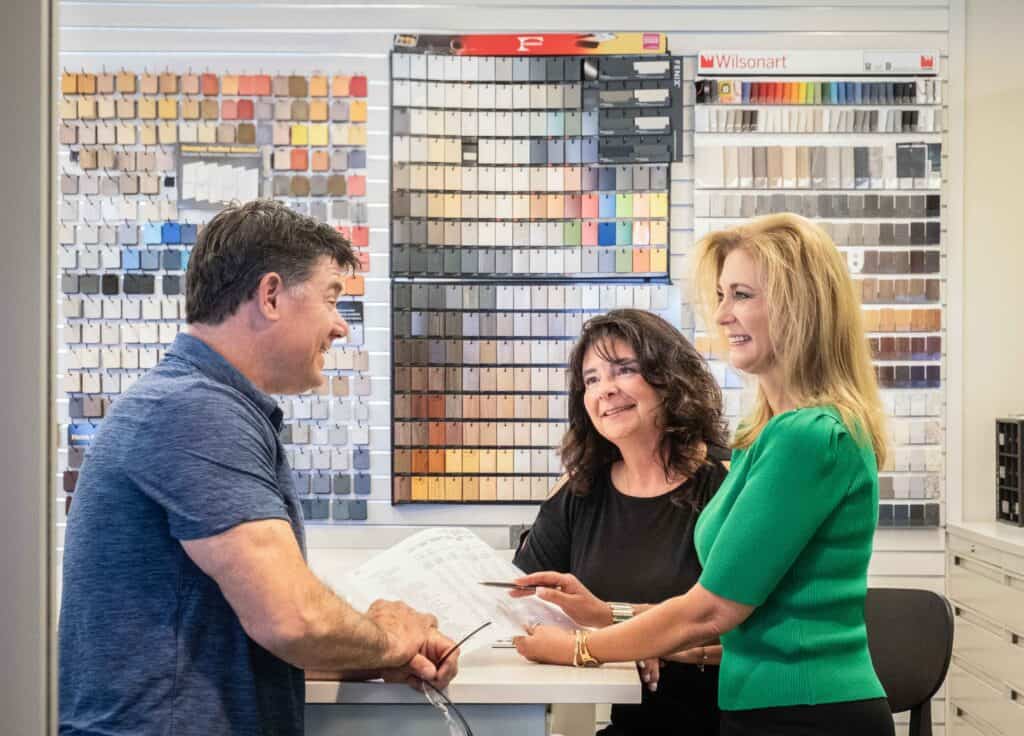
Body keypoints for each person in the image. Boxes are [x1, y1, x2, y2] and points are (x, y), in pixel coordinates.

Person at [59, 200, 458, 736]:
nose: (341, 327)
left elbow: (245, 631)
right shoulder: (196, 409)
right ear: (270, 295)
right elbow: (293, 619)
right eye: (331, 298)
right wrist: (390, 637)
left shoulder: (191, 402)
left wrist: (373, 649)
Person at [514, 213, 895, 736]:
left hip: (802, 714)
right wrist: (612, 619)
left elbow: (710, 612)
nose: (722, 314)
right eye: (720, 296)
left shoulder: (808, 437)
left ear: (799, 305)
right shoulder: (767, 436)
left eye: (741, 294)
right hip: (764, 709)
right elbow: (735, 614)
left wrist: (580, 647)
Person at [512, 309, 730, 735]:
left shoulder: (725, 484)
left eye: (623, 370)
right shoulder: (581, 492)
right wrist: (627, 636)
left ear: (670, 379)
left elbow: (729, 634)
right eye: (591, 380)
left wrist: (624, 631)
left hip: (724, 725)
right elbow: (522, 604)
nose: (605, 391)